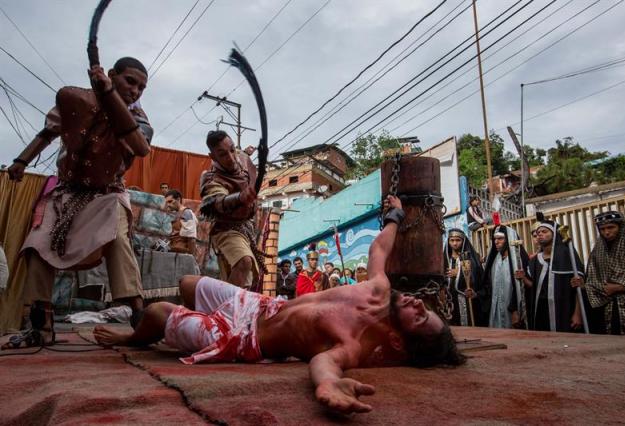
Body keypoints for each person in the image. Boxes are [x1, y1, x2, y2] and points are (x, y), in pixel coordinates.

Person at [93, 195, 465, 415]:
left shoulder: (356, 344)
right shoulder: (380, 289)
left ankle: (135, 338)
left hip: (244, 335)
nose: (418, 304)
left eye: (420, 317)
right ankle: (186, 323)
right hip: (263, 306)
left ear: (400, 341)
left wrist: (329, 386)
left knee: (156, 315)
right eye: (425, 307)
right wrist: (394, 217)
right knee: (188, 284)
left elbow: (325, 362)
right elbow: (379, 248)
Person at [3, 57, 152, 349]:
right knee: (37, 244)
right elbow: (48, 133)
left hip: (107, 194)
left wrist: (110, 96)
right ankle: (41, 326)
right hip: (67, 193)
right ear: (111, 74)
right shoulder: (77, 101)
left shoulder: (139, 118)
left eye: (141, 88)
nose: (135, 91)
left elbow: (140, 147)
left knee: (117, 237)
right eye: (130, 81)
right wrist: (22, 160)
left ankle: (141, 320)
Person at [199, 130, 260, 289]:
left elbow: (244, 159)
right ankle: (227, 309)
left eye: (232, 149)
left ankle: (234, 307)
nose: (231, 158)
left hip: (247, 228)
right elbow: (216, 201)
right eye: (223, 154)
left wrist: (248, 153)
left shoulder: (241, 157)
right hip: (226, 230)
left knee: (248, 280)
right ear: (213, 157)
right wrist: (240, 197)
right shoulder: (211, 178)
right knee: (244, 261)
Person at [584, 211, 625, 337]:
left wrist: (620, 287)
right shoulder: (597, 252)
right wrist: (585, 285)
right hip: (607, 308)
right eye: (602, 229)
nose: (606, 232)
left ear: (621, 227)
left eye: (611, 227)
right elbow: (592, 280)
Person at [527, 217, 585, 332]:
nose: (540, 235)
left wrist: (578, 314)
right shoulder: (534, 260)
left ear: (554, 234)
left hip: (564, 309)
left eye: (544, 232)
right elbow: (531, 286)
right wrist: (523, 277)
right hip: (541, 311)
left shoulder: (567, 255)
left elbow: (578, 289)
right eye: (538, 233)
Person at [480, 226, 530, 329]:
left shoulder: (518, 260)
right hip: (495, 310)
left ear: (509, 239)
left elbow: (522, 288)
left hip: (512, 311)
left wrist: (515, 309)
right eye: (495, 239)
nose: (496, 242)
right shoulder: (494, 260)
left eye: (500, 238)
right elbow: (487, 286)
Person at [443, 229, 486, 326]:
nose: (454, 243)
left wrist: (459, 273)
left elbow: (478, 278)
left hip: (467, 300)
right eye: (452, 240)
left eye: (458, 240)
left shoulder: (472, 258)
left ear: (463, 241)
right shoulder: (445, 259)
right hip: (449, 301)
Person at [164, 189, 198, 255]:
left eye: (170, 201)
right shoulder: (178, 214)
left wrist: (190, 257)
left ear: (178, 199)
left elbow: (191, 239)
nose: (168, 205)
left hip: (183, 254)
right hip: (176, 252)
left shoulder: (186, 213)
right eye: (167, 202)